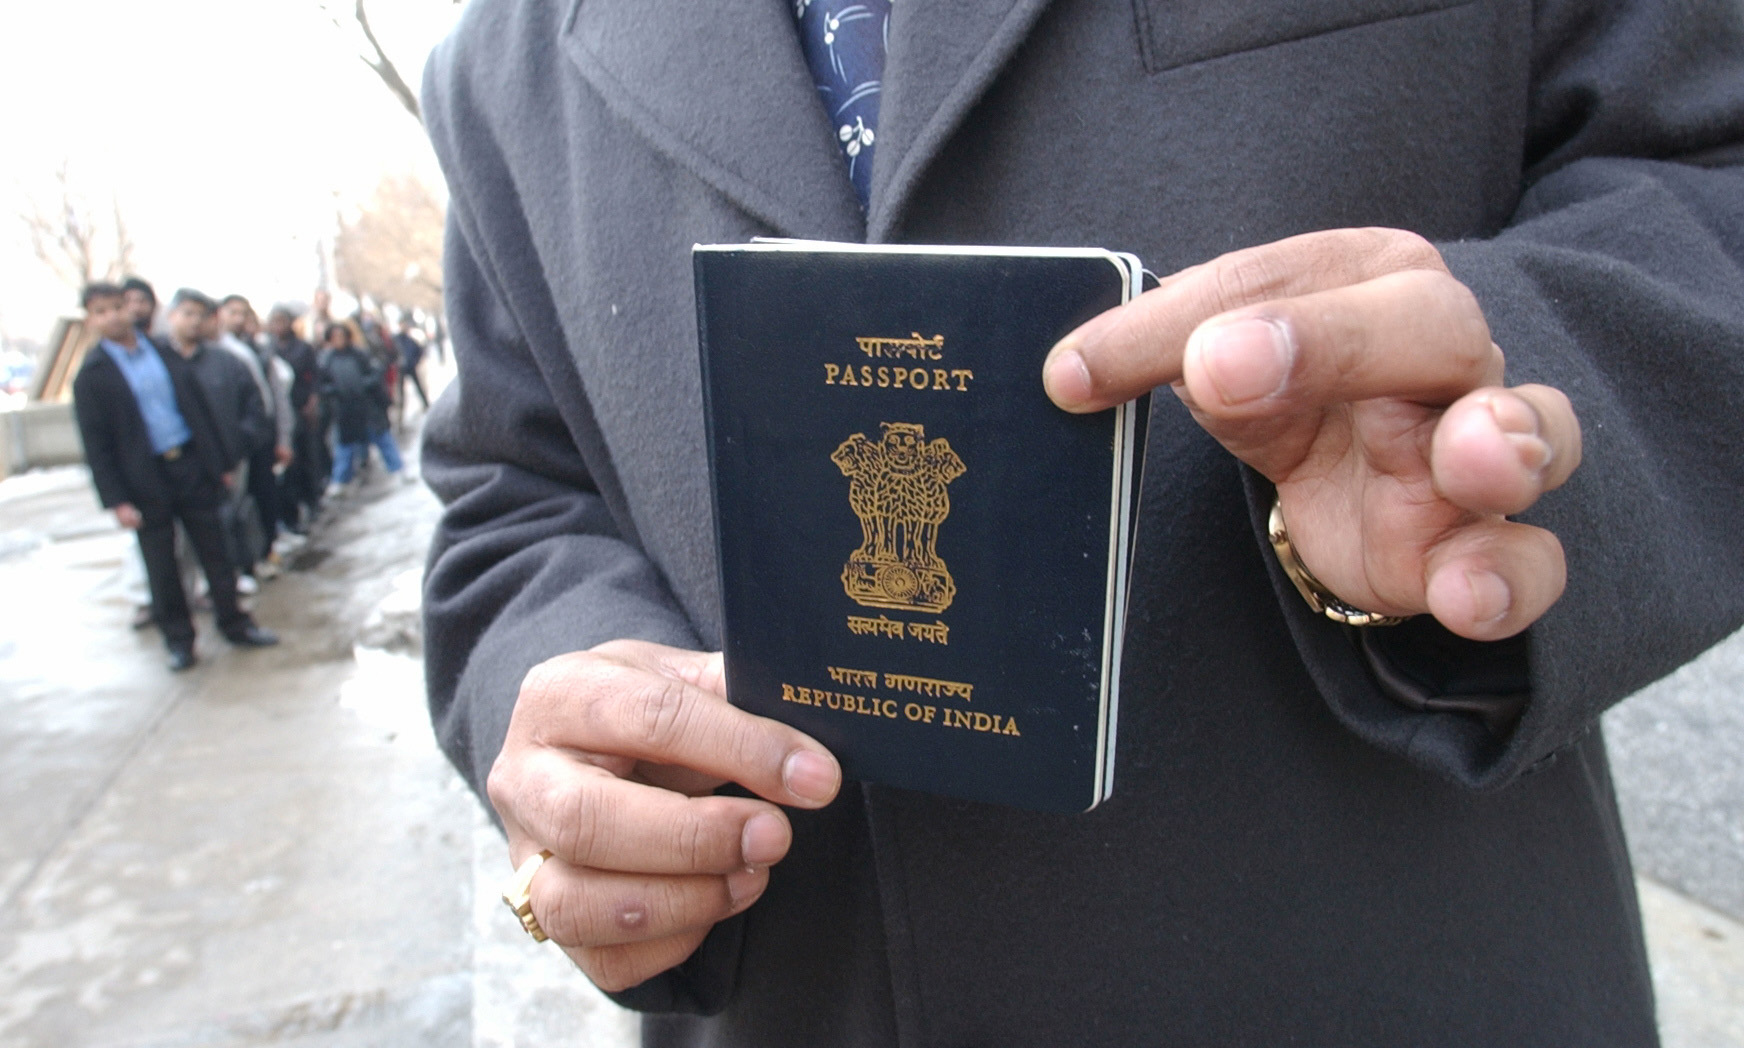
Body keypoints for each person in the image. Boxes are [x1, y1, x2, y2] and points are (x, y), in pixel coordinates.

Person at [417, 1, 1744, 1045]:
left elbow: (1707, 175)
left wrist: (1487, 423)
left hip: (1366, 968)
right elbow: (512, 494)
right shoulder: (495, 61)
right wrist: (570, 711)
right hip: (799, 994)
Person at [71, 283, 278, 671]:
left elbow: (198, 411)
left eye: (118, 307)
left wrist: (219, 464)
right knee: (162, 566)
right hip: (144, 479)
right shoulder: (93, 376)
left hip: (190, 464)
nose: (113, 316)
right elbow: (95, 444)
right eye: (102, 311)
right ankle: (180, 640)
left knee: (215, 552)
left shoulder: (164, 353)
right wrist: (116, 499)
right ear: (90, 319)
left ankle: (235, 623)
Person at [167, 290, 271, 589]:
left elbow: (256, 405)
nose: (194, 322)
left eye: (200, 315)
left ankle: (237, 574)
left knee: (230, 519)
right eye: (187, 314)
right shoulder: (163, 364)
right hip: (182, 464)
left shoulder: (227, 361)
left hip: (228, 458)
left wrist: (238, 445)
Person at [218, 294, 292, 567]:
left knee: (266, 496)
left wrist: (282, 436)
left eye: (243, 313)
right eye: (232, 313)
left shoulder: (255, 351)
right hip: (233, 445)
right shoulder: (218, 355)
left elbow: (273, 396)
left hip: (260, 437)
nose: (238, 319)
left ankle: (267, 549)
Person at [318, 323, 406, 493]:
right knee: (345, 447)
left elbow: (375, 372)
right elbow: (322, 384)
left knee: (382, 438)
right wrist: (335, 391)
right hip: (345, 409)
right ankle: (340, 480)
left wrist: (363, 385)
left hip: (366, 406)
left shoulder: (359, 354)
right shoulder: (327, 359)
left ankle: (397, 468)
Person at [265, 304, 324, 532]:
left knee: (309, 456)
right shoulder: (269, 350)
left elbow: (315, 375)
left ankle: (313, 500)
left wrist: (312, 400)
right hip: (283, 412)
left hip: (302, 408)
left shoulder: (303, 348)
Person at [393, 315, 430, 413]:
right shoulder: (396, 339)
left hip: (410, 367)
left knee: (419, 387)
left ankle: (426, 404)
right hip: (401, 369)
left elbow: (419, 350)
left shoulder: (409, 339)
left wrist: (414, 362)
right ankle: (400, 414)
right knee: (401, 393)